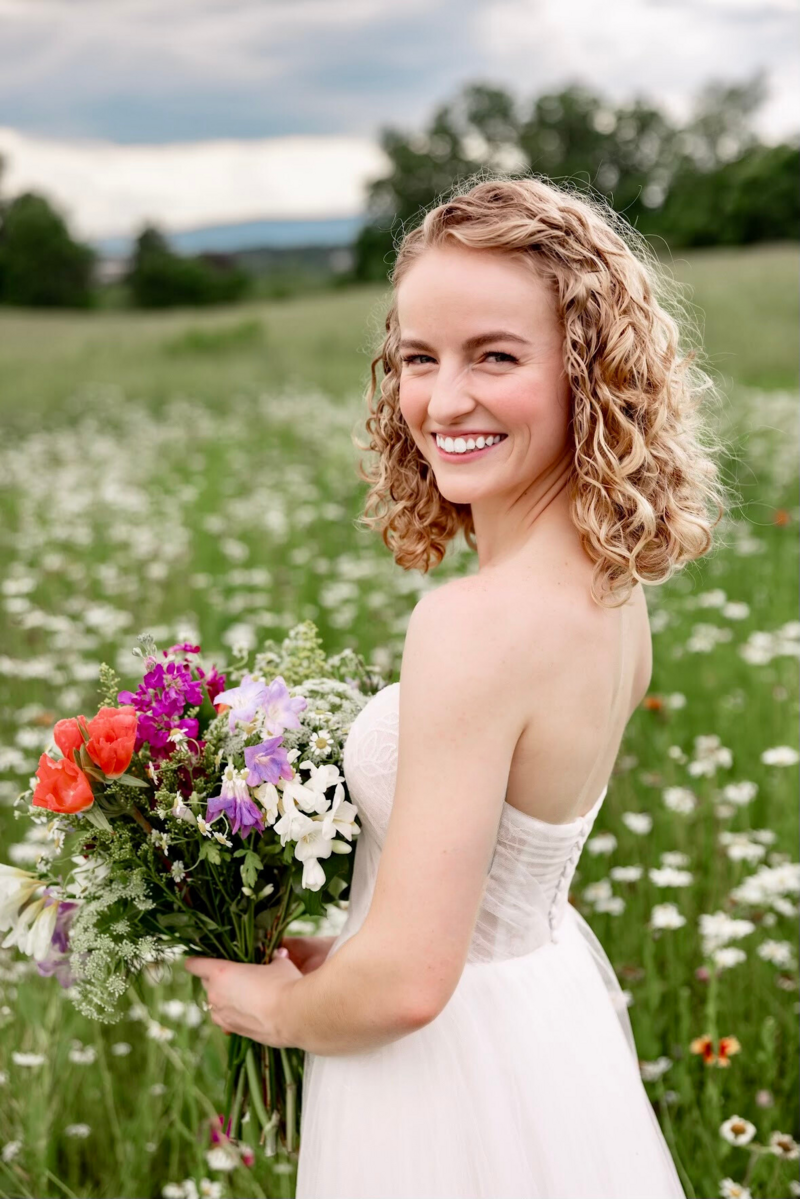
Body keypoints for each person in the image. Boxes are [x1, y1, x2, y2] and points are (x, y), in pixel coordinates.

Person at [189, 174, 727, 1198]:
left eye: (495, 356)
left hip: (444, 1075)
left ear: (588, 372)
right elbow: (477, 886)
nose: (442, 401)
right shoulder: (609, 588)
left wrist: (272, 1009)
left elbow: (407, 980)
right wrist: (337, 951)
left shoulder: (471, 624)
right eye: (417, 359)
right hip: (539, 1014)